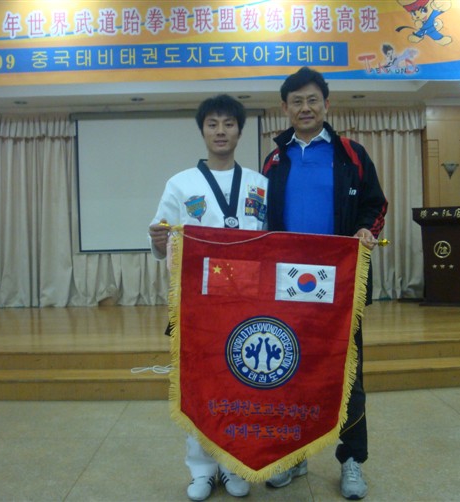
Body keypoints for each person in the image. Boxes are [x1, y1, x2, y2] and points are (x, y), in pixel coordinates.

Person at [261, 67, 388, 500]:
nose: (305, 107)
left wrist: (366, 229)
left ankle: (351, 459)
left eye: (312, 99)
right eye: (296, 101)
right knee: (291, 370)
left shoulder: (351, 154)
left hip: (340, 285)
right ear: (285, 108)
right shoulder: (274, 160)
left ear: (326, 104)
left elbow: (376, 204)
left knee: (347, 373)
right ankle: (294, 454)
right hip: (286, 284)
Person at [148, 95, 268, 501]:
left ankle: (233, 464)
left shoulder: (259, 184)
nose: (220, 131)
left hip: (247, 301)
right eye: (212, 124)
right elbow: (161, 239)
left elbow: (272, 239)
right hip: (197, 303)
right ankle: (200, 469)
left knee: (240, 383)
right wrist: (157, 241)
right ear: (202, 131)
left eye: (228, 124)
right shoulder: (180, 184)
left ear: (239, 131)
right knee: (199, 386)